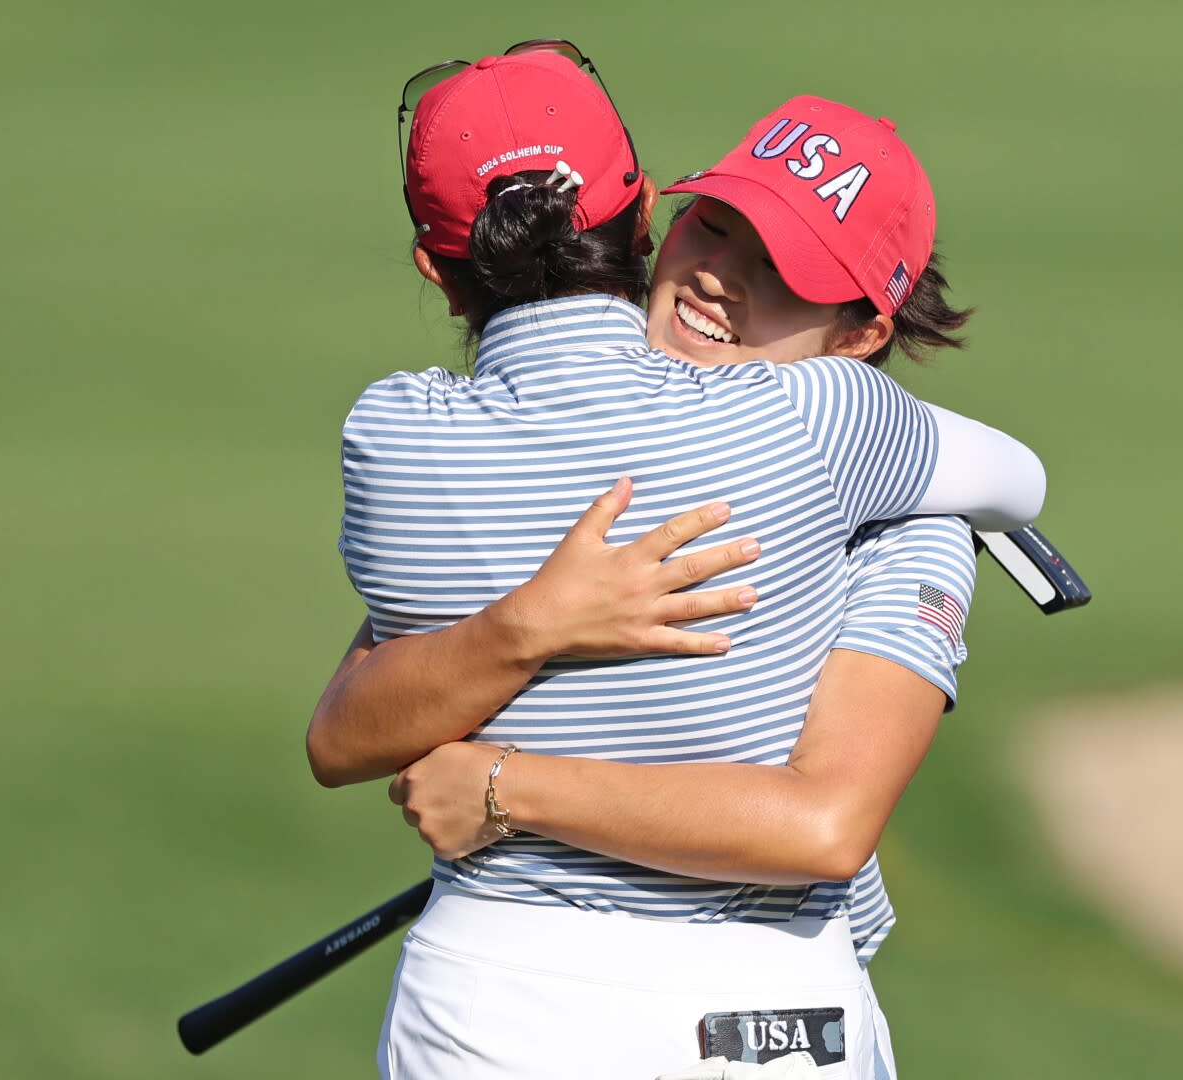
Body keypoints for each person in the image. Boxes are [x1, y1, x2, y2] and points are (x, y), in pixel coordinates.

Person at [319, 44, 1039, 1079]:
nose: (717, 277)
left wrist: (507, 787)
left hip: (729, 1008)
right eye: (717, 223)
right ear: (652, 215)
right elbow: (345, 728)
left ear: (863, 331)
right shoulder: (540, 449)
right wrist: (528, 625)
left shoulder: (903, 519)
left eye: (784, 272)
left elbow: (824, 823)